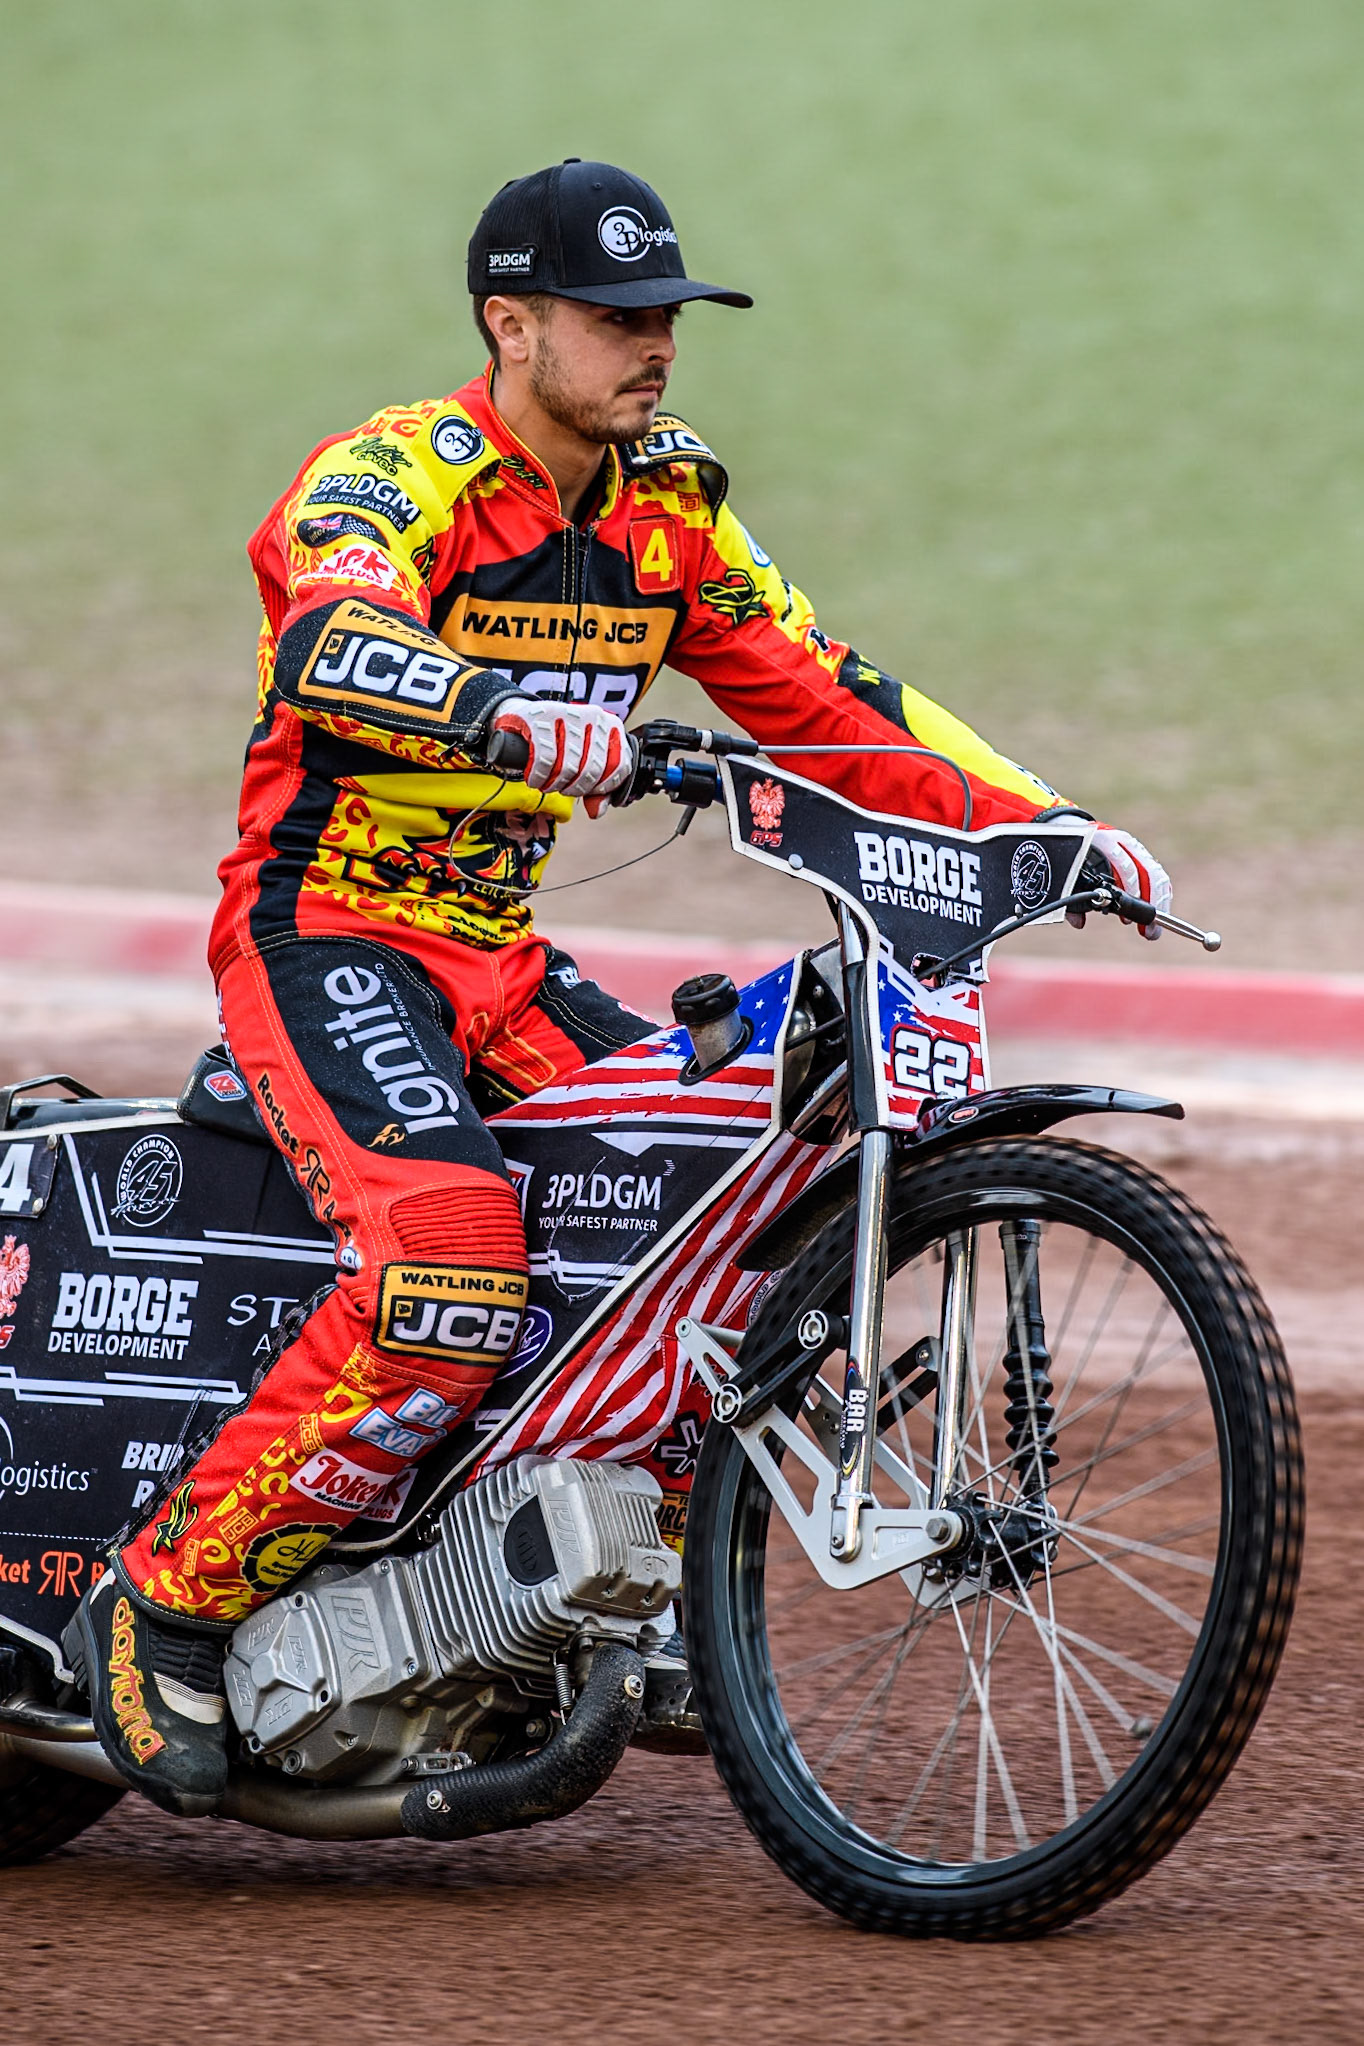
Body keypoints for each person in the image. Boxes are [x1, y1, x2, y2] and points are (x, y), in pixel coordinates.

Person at [68, 159, 1171, 1813]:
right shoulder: (393, 475)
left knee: (702, 1191)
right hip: (328, 932)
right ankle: (165, 1599)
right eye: (615, 316)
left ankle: (601, 1559)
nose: (653, 344)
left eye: (668, 316)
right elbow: (330, 639)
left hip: (502, 955)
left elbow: (832, 700)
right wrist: (504, 717)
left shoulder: (667, 505)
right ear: (508, 324)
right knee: (450, 1266)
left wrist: (1048, 824)